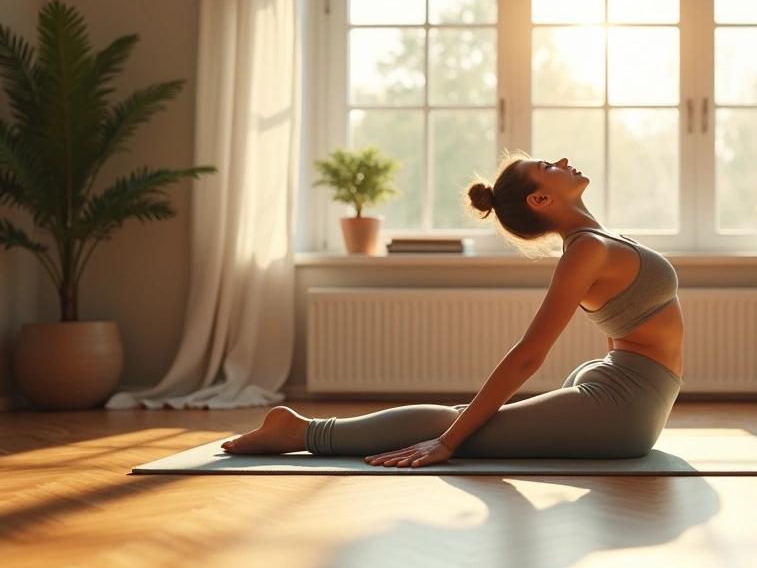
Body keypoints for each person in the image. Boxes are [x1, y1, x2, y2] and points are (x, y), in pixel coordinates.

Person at [221, 152, 684, 467]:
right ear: (540, 200)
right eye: (548, 166)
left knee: (474, 421)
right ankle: (303, 432)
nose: (562, 161)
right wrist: (448, 441)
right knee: (460, 422)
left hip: (622, 389)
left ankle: (314, 430)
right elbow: (528, 355)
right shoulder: (585, 251)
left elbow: (622, 317)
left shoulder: (599, 241)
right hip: (624, 409)